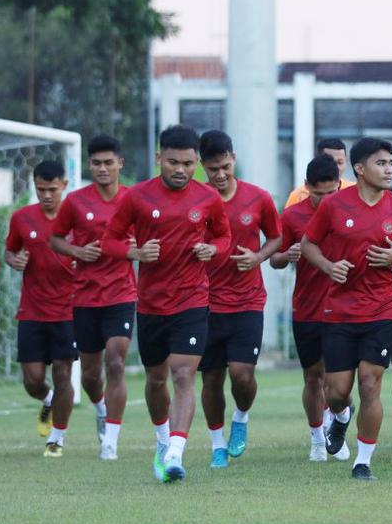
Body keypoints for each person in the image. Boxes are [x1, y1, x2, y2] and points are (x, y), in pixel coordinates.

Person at [102, 124, 231, 482]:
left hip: (192, 299)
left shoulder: (208, 198)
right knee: (157, 379)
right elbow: (110, 241)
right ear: (159, 158)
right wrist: (135, 252)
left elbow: (223, 237)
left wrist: (213, 249)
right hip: (151, 305)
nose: (181, 170)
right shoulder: (137, 197)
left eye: (189, 164)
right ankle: (162, 439)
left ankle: (175, 452)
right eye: (173, 162)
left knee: (184, 373)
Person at [301, 137, 392, 480]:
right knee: (337, 392)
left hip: (382, 310)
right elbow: (308, 244)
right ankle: (340, 417)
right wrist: (328, 267)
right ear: (359, 169)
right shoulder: (333, 206)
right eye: (381, 163)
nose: (389, 169)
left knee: (370, 384)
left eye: (391, 163)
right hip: (339, 312)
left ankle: (363, 461)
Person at [197, 130, 282, 468]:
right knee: (212, 378)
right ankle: (217, 443)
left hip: (247, 300)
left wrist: (258, 257)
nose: (220, 175)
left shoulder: (258, 199)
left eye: (225, 167)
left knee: (242, 375)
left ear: (233, 159)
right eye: (213, 169)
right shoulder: (196, 200)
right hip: (203, 302)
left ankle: (241, 419)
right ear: (203, 165)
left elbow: (276, 238)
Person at [49, 135, 137, 460]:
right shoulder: (75, 201)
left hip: (121, 294)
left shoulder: (133, 199)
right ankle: (100, 407)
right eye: (97, 163)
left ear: (120, 164)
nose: (102, 169)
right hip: (85, 297)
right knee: (89, 374)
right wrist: (77, 251)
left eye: (108, 163)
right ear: (89, 165)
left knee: (115, 362)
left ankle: (110, 441)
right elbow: (56, 239)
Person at [271, 154, 349, 461]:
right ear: (307, 188)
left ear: (339, 187)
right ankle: (317, 436)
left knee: (337, 381)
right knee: (313, 378)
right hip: (306, 309)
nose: (326, 200)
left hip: (344, 309)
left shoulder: (349, 214)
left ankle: (337, 428)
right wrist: (288, 254)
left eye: (332, 193)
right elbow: (275, 260)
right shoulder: (292, 217)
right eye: (319, 195)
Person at [5, 161, 75, 457]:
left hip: (69, 311)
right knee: (32, 380)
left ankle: (56, 439)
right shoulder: (22, 218)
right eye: (40, 189)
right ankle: (47, 400)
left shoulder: (76, 219)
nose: (46, 195)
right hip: (32, 310)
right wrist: (14, 260)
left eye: (52, 189)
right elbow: (10, 251)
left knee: (63, 374)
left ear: (64, 185)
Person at [283, 138, 355, 208]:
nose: (335, 167)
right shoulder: (298, 196)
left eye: (340, 162)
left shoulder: (354, 191)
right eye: (318, 193)